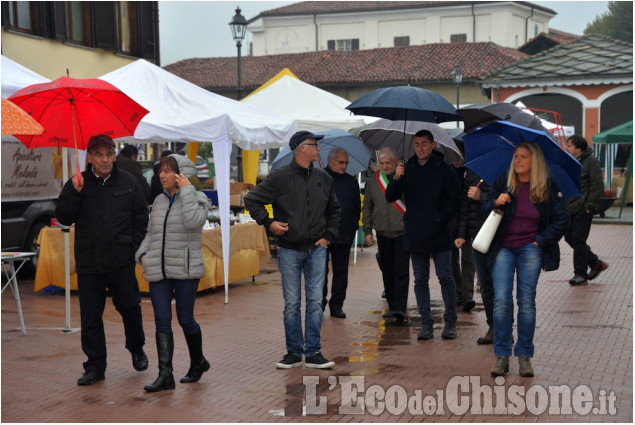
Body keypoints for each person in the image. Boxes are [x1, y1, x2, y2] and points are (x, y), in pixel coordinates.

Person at [55, 135, 148, 386]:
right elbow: (63, 217)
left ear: (114, 155)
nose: (105, 159)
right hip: (89, 261)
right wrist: (74, 193)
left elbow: (141, 216)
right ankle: (95, 366)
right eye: (99, 154)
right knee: (91, 316)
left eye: (109, 154)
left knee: (130, 307)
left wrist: (133, 246)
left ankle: (136, 347)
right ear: (90, 157)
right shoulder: (77, 182)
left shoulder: (128, 182)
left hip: (121, 259)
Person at [243, 130, 340, 369]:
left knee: (316, 301)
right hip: (289, 249)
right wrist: (269, 222)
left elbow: (334, 211)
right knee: (292, 303)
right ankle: (294, 352)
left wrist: (328, 236)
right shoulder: (280, 177)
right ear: (300, 148)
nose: (318, 147)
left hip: (317, 248)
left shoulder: (324, 179)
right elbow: (252, 199)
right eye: (313, 144)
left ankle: (314, 352)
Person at [485, 142, 569, 377]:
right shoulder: (503, 182)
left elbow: (563, 219)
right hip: (503, 247)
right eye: (516, 156)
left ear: (535, 161)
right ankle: (501, 356)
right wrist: (495, 202)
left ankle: (524, 356)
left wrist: (540, 241)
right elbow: (484, 209)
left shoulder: (547, 186)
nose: (518, 160)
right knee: (501, 301)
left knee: (526, 302)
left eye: (523, 156)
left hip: (530, 248)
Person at [136, 154, 210, 392]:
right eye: (161, 171)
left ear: (181, 174)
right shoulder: (158, 200)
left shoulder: (198, 198)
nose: (161, 175)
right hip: (159, 268)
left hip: (186, 269)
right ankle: (165, 375)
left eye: (168, 171)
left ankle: (197, 362)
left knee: (185, 319)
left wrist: (187, 192)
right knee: (161, 321)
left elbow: (193, 223)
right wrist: (143, 255)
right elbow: (151, 232)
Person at [386, 129, 461, 341]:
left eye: (424, 144)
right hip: (415, 231)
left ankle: (450, 321)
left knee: (445, 276)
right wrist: (397, 177)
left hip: (439, 232)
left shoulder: (445, 169)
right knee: (420, 279)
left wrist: (439, 219)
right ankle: (426, 323)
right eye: (416, 144)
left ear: (433, 145)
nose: (420, 148)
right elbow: (390, 196)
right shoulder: (406, 168)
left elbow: (454, 200)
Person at [363, 147, 409, 323]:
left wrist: (399, 178)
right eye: (381, 163)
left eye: (387, 163)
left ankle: (400, 308)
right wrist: (368, 230)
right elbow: (367, 206)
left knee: (401, 271)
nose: (384, 166)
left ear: (396, 162)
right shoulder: (374, 180)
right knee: (387, 271)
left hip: (402, 231)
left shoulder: (405, 177)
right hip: (382, 231)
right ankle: (392, 306)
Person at [454, 169, 494, 344]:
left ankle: (503, 328)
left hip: (495, 234)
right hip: (475, 234)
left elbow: (506, 201)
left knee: (499, 285)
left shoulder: (501, 173)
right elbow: (465, 206)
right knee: (485, 286)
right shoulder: (470, 174)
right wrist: (462, 234)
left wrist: (482, 197)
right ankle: (492, 326)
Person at [563, 134, 609, 286]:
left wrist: (589, 206)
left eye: (569, 146)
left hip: (583, 208)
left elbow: (597, 186)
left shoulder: (591, 162)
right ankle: (596, 263)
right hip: (570, 207)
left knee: (578, 240)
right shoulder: (570, 161)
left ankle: (580, 274)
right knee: (570, 238)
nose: (567, 148)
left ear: (578, 148)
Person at [322, 147, 360, 319]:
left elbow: (356, 208)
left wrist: (352, 228)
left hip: (344, 234)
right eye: (341, 162)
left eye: (346, 163)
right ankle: (319, 303)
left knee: (341, 272)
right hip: (322, 235)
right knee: (320, 272)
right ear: (330, 161)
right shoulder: (320, 179)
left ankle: (336, 305)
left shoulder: (351, 182)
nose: (344, 166)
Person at [450, 153, 476, 313]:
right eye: (455, 156)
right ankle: (457, 292)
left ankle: (467, 295)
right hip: (450, 221)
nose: (457, 160)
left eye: (461, 156)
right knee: (452, 261)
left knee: (468, 259)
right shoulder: (446, 172)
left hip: (468, 220)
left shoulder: (472, 172)